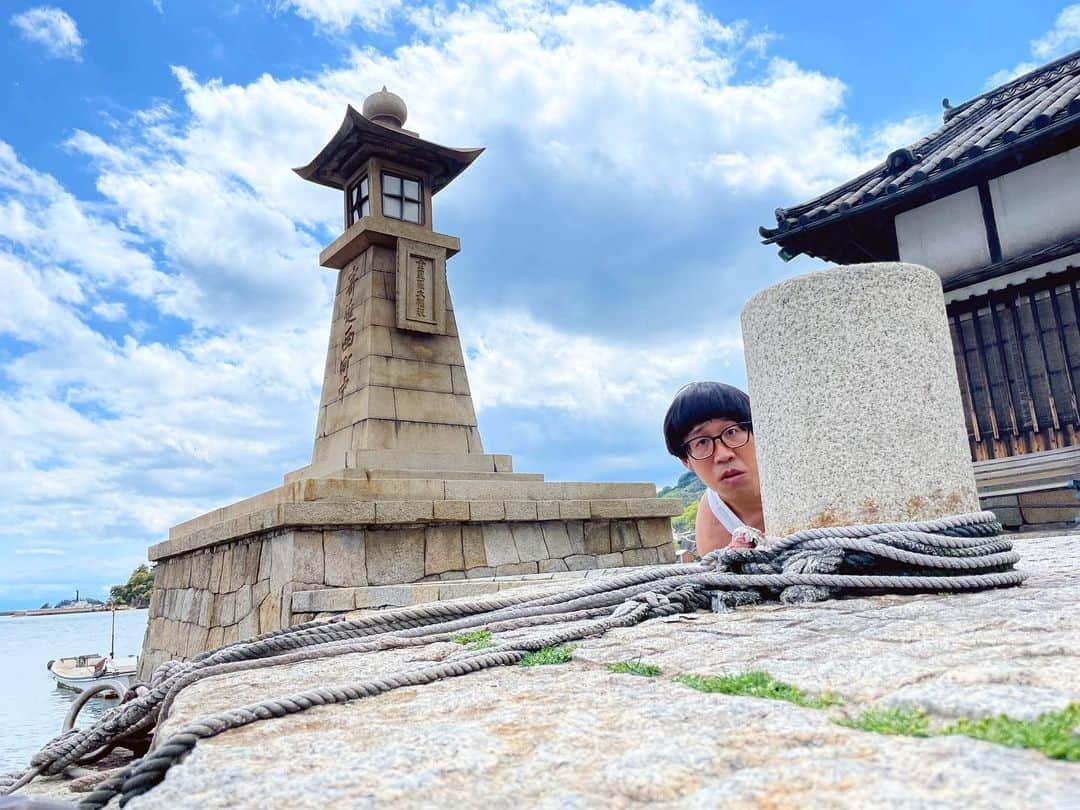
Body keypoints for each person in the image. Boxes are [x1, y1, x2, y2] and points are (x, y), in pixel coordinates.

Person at [663, 381, 764, 557]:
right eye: (702, 442)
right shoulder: (714, 524)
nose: (723, 455)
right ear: (686, 461)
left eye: (731, 432)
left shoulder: (804, 482)